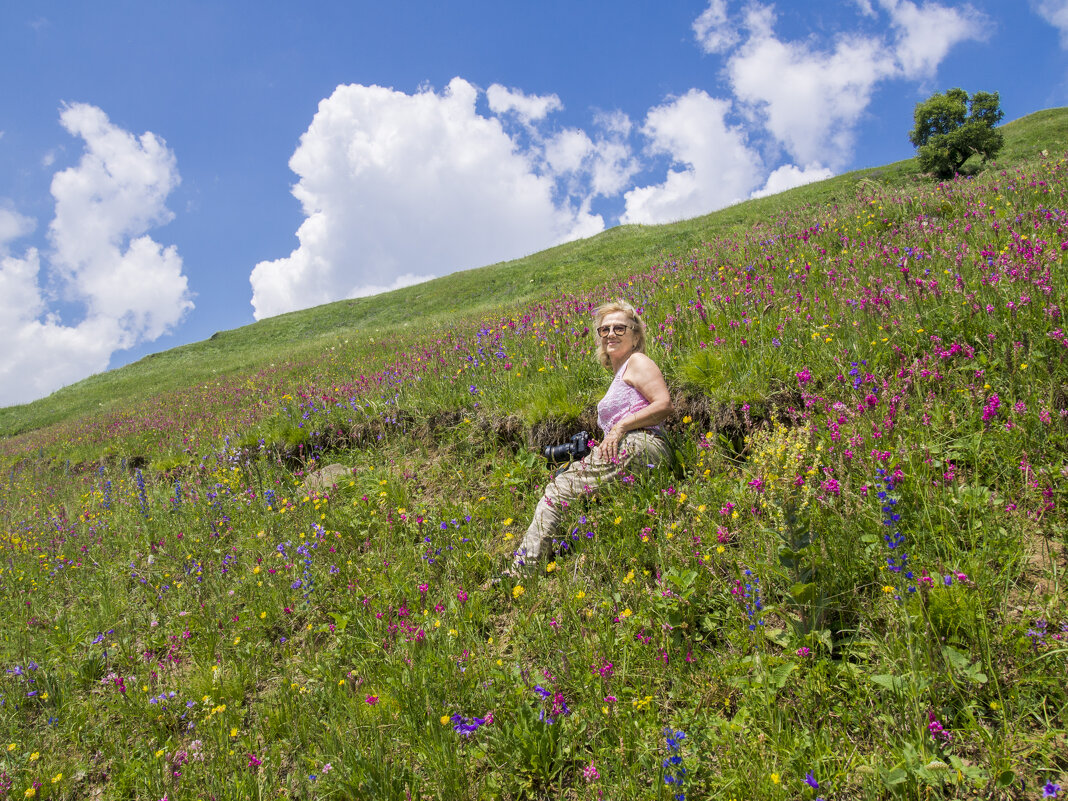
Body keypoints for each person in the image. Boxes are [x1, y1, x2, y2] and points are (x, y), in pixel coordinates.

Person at [510, 300, 673, 575]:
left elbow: (664, 404)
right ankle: (561, 554)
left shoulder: (638, 361)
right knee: (581, 497)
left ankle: (521, 572)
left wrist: (620, 428)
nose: (611, 334)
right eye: (604, 329)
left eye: (620, 328)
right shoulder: (620, 373)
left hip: (639, 443)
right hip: (635, 450)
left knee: (557, 491)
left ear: (635, 336)